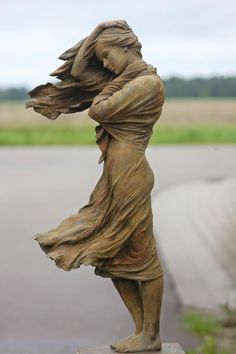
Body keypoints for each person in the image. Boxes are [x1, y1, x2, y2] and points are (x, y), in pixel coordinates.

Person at [27, 20, 165, 353]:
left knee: (142, 257)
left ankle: (151, 334)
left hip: (131, 177)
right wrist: (97, 34)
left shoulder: (146, 84)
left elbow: (100, 110)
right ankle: (140, 331)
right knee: (113, 254)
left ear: (127, 47)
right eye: (101, 57)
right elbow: (78, 73)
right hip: (114, 178)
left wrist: (104, 85)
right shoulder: (123, 80)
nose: (104, 64)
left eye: (107, 55)